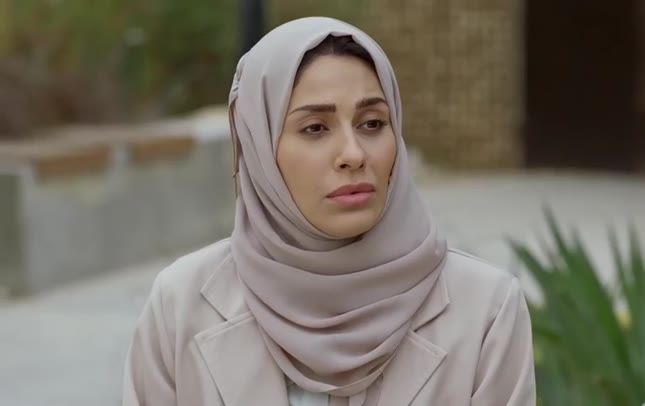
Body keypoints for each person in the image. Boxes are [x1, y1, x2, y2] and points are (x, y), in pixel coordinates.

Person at [122, 16, 535, 406]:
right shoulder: (180, 305)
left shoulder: (486, 309)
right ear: (260, 147)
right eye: (315, 128)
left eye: (372, 123)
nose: (353, 154)